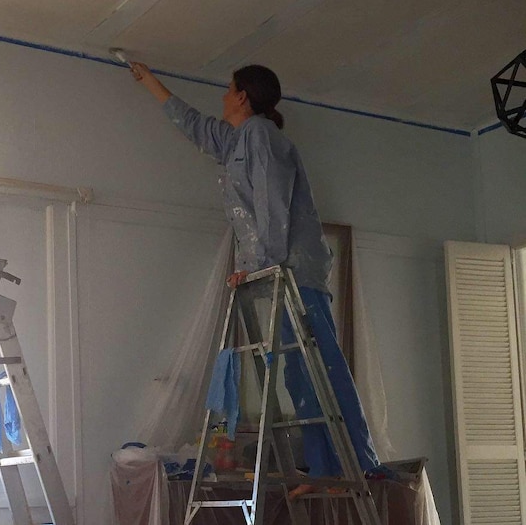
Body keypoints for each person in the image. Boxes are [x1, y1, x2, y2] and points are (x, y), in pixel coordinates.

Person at [128, 61, 383, 497]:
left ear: (243, 96)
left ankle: (356, 464)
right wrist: (151, 82)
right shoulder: (236, 140)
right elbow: (195, 126)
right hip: (276, 270)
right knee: (300, 375)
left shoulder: (262, 136)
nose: (224, 96)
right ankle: (324, 469)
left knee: (320, 367)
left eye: (229, 90)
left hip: (294, 269)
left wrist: (261, 262)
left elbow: (271, 202)